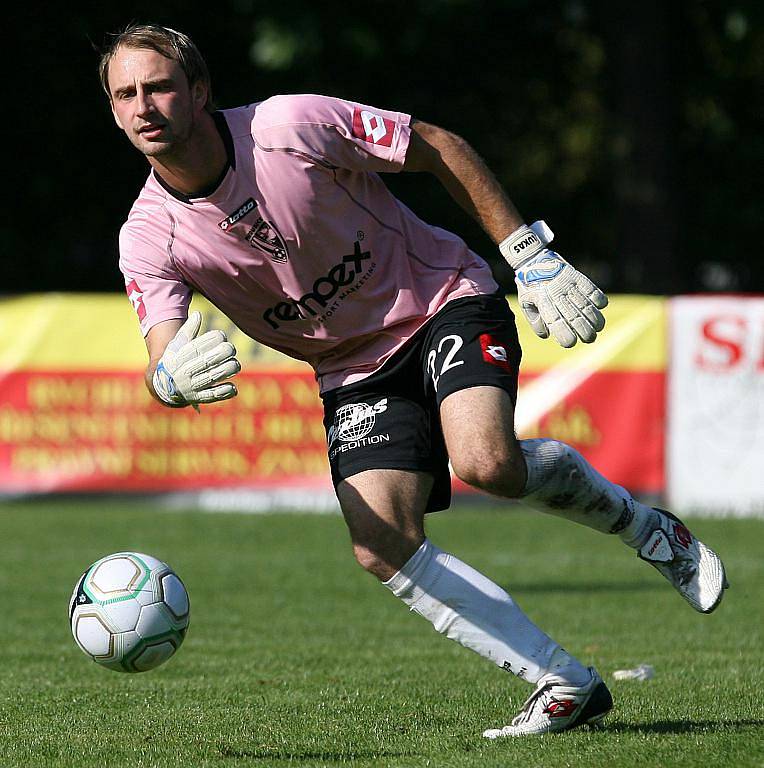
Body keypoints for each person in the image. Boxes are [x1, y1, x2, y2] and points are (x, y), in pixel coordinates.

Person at [100, 23, 728, 737]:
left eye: (158, 86)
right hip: (348, 367)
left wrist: (528, 252)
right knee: (379, 543)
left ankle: (647, 530)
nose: (144, 105)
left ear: (199, 90)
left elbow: (435, 144)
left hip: (439, 300)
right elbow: (164, 351)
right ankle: (562, 683)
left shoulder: (287, 125)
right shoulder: (147, 235)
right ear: (116, 112)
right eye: (127, 94)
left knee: (487, 462)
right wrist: (168, 381)